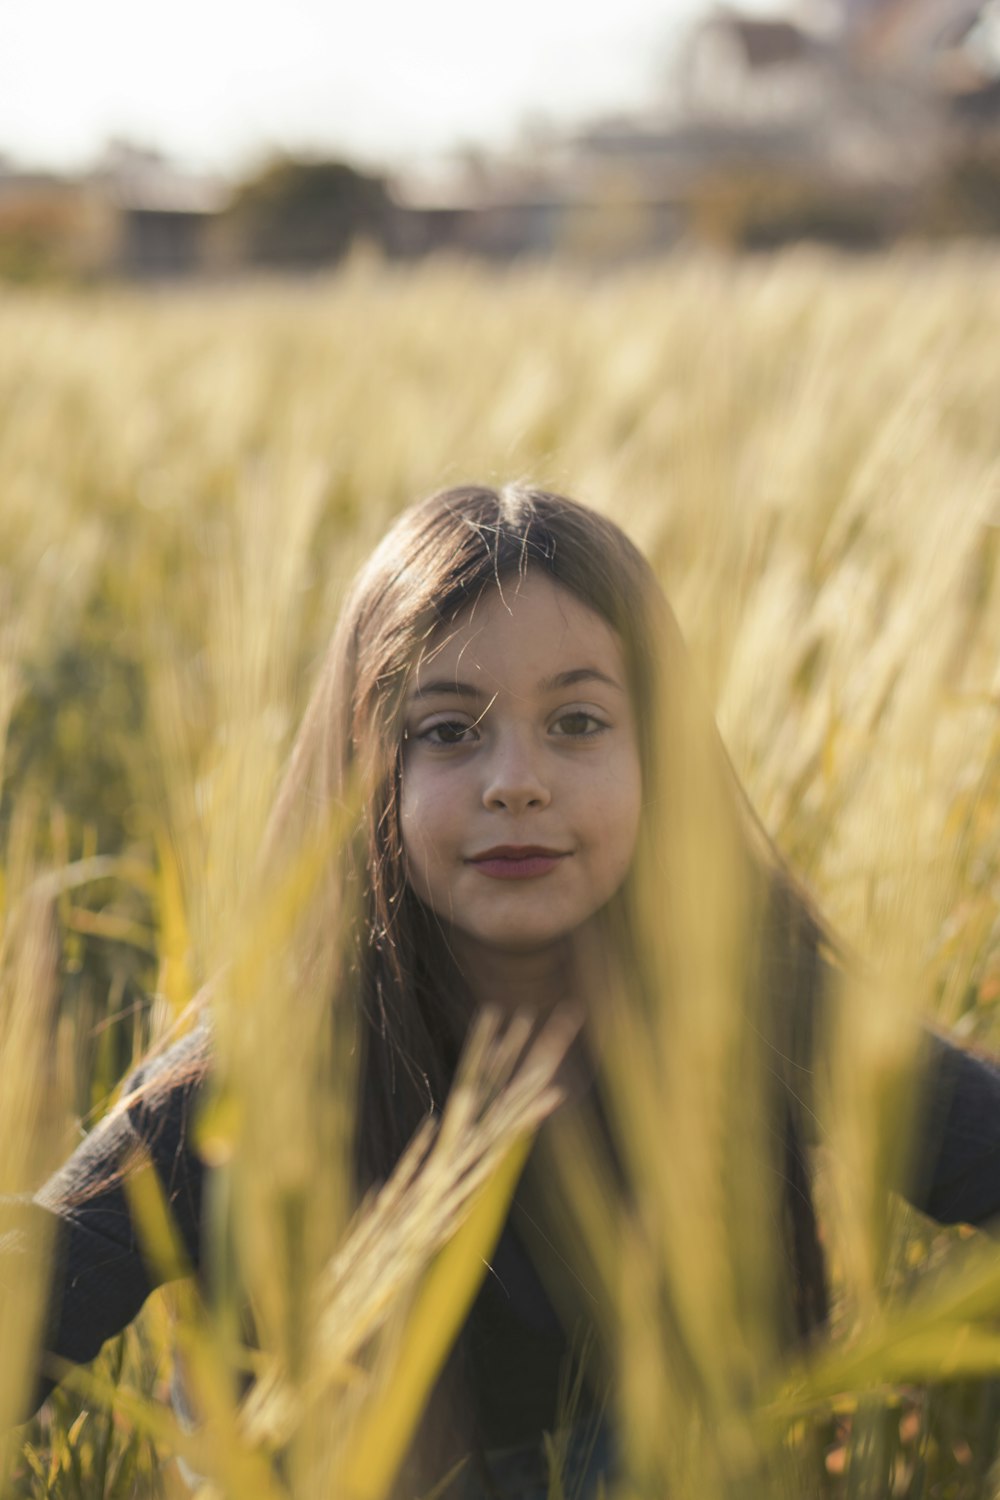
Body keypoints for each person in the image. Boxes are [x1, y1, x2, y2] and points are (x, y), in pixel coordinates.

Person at [3, 483, 1000, 1499]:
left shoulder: (754, 1008)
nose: (514, 781)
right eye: (445, 731)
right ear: (366, 776)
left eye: (577, 721)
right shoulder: (263, 1069)